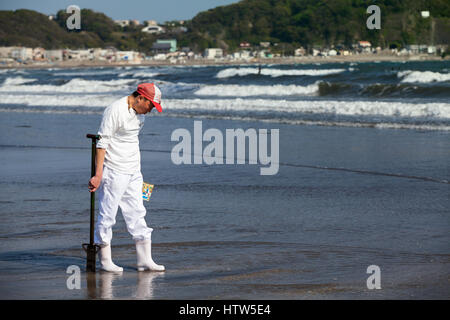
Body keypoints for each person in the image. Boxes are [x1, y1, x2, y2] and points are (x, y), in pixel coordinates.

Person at [88, 83, 165, 273]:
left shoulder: (140, 114)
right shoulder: (114, 110)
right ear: (141, 98)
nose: (151, 110)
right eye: (151, 106)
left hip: (134, 171)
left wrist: (138, 171)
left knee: (138, 212)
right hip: (114, 170)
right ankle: (105, 260)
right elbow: (102, 142)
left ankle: (144, 260)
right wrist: (98, 175)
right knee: (108, 215)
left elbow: (130, 141)